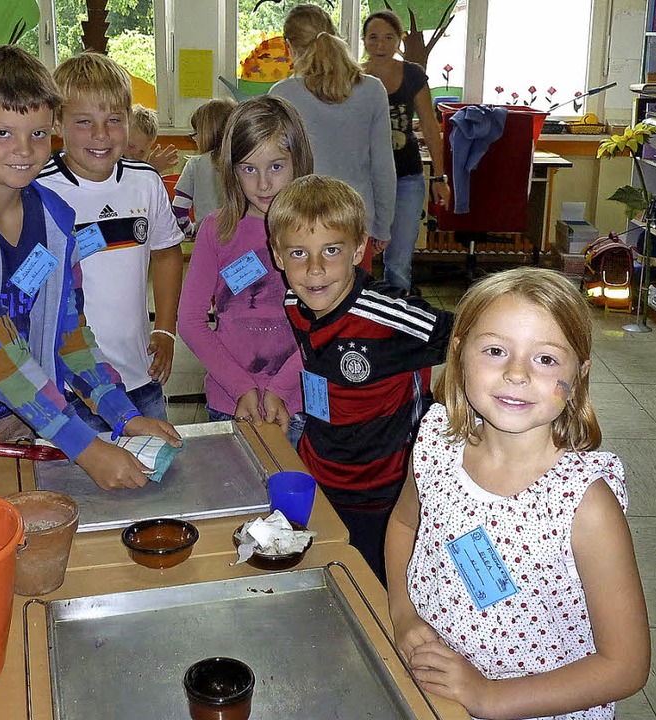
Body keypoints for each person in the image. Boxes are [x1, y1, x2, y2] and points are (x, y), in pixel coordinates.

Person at [0, 45, 180, 491]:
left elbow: (70, 333)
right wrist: (85, 445)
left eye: (38, 134)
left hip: (23, 419)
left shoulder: (54, 218)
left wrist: (124, 414)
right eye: (3, 132)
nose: (24, 150)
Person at [385, 267, 650, 719]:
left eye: (545, 359)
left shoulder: (585, 504)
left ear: (579, 375)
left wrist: (489, 696)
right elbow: (405, 523)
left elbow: (625, 666)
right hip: (437, 690)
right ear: (459, 354)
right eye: (494, 350)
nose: (517, 373)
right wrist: (403, 611)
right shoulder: (435, 443)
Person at [267, 174, 453, 583]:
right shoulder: (294, 303)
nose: (315, 269)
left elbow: (467, 337)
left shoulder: (387, 316)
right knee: (331, 580)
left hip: (387, 491)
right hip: (322, 476)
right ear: (278, 256)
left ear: (358, 249)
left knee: (383, 592)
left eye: (330, 250)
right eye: (299, 253)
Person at [38, 52, 184, 431]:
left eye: (114, 121)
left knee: (153, 477)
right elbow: (26, 286)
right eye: (84, 122)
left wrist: (165, 328)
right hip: (67, 386)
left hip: (139, 377)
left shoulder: (145, 181)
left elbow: (167, 253)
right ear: (58, 123)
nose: (101, 135)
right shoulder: (37, 188)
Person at [178, 96, 312, 447]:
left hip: (298, 403)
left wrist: (281, 389)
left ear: (299, 162)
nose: (263, 184)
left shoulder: (318, 231)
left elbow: (326, 322)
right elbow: (190, 321)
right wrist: (243, 388)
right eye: (249, 169)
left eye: (277, 167)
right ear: (231, 169)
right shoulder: (215, 230)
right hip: (229, 402)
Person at [270, 3, 396, 269]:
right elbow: (383, 167)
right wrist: (382, 227)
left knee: (302, 304)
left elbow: (274, 167)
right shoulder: (373, 90)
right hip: (356, 221)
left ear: (290, 45)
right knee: (351, 305)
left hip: (299, 223)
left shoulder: (282, 93)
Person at [362, 9, 450, 293]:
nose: (380, 45)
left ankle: (397, 322)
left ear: (398, 40)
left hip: (407, 178)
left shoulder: (413, 75)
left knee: (398, 261)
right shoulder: (353, 77)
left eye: (388, 38)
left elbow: (429, 126)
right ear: (363, 41)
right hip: (364, 182)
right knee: (356, 257)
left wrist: (440, 178)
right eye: (373, 38)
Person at [172, 97, 237, 236]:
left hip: (207, 238)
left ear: (204, 134)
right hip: (240, 238)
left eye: (195, 134)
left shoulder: (194, 165)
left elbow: (178, 209)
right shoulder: (243, 161)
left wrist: (191, 231)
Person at [127, 103, 179, 175]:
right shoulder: (109, 161)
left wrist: (150, 168)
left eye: (141, 152)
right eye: (130, 146)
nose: (134, 156)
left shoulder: (136, 169)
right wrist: (150, 169)